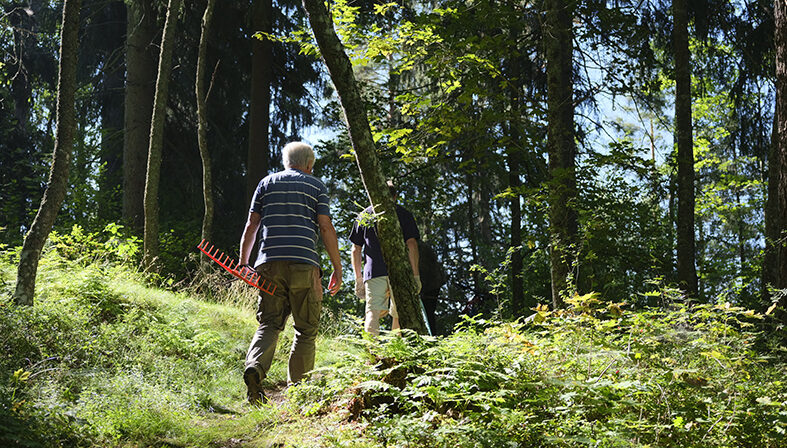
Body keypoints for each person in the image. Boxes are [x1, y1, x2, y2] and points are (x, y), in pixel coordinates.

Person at [238, 141, 342, 405]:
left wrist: (243, 261)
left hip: (269, 263)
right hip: (304, 264)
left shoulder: (266, 183)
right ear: (309, 164)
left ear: (286, 162)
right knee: (306, 330)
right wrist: (337, 268)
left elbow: (252, 224)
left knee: (269, 323)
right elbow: (326, 228)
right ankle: (299, 393)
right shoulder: (316, 186)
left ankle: (255, 368)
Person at [349, 181, 420, 335]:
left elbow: (356, 249)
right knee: (398, 314)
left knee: (372, 312)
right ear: (395, 197)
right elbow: (412, 245)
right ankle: (396, 352)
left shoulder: (364, 216)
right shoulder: (404, 214)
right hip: (400, 271)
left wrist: (358, 278)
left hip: (373, 272)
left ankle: (371, 354)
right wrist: (415, 275)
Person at [417, 239, 447, 334]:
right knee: (427, 314)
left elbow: (424, 269)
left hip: (431, 286)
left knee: (428, 314)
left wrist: (421, 290)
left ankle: (431, 338)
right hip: (430, 284)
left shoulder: (418, 247)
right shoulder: (419, 245)